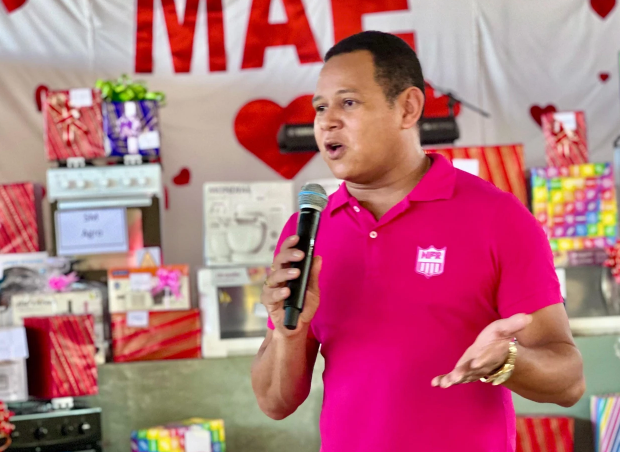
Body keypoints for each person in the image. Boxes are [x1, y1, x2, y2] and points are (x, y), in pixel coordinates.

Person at [251, 30, 585, 452]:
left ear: (408, 107)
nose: (326, 121)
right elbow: (274, 402)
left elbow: (569, 382)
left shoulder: (497, 218)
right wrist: (288, 333)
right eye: (320, 107)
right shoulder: (307, 233)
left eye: (348, 103)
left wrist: (507, 362)